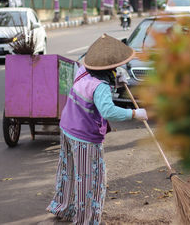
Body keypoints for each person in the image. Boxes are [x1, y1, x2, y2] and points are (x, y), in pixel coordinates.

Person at [46, 34, 148, 224]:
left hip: (67, 127)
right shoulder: (100, 86)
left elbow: (94, 87)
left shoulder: (83, 69)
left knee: (68, 171)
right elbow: (109, 111)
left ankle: (63, 207)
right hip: (84, 137)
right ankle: (86, 220)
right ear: (109, 66)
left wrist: (117, 79)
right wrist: (134, 114)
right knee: (89, 179)